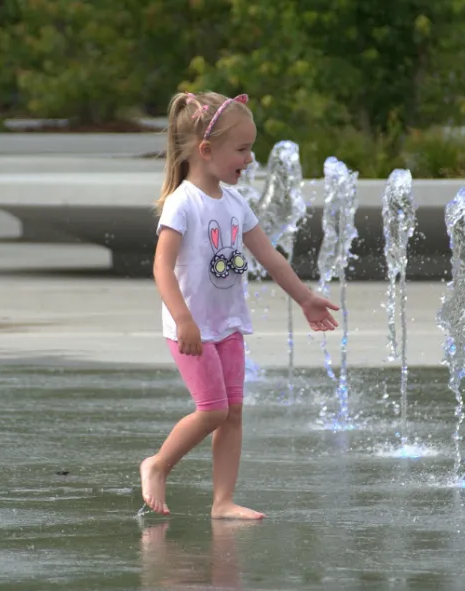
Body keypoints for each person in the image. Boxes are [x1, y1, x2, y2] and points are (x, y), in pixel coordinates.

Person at [140, 91, 340, 520]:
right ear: (207, 151)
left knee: (232, 414)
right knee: (212, 410)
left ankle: (223, 502)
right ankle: (158, 464)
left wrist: (305, 299)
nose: (250, 159)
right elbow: (161, 266)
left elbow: (270, 257)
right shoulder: (183, 203)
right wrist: (182, 318)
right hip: (191, 329)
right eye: (243, 149)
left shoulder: (235, 203)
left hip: (227, 325)